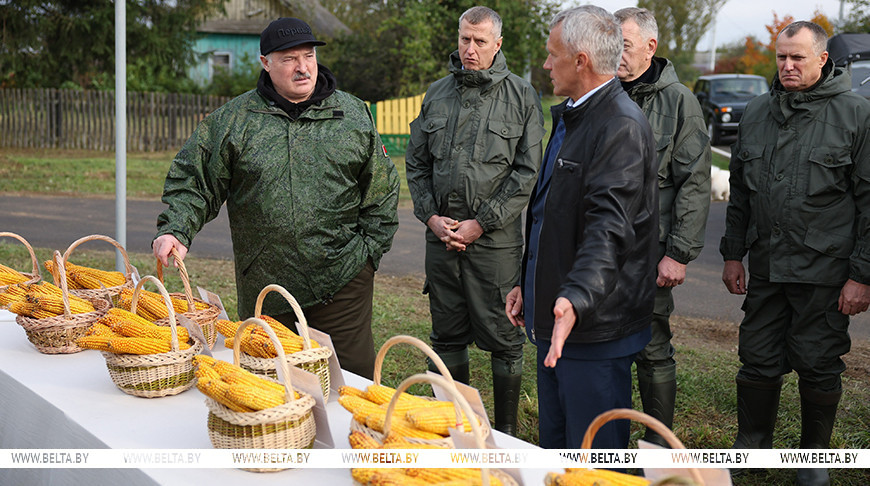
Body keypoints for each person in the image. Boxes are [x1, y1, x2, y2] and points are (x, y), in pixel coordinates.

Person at [152, 17, 400, 380]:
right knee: (270, 383)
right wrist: (177, 228)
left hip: (342, 281)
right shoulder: (234, 121)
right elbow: (196, 181)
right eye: (288, 59)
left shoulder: (351, 115)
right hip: (266, 286)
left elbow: (382, 188)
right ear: (265, 62)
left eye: (309, 55)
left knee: (349, 382)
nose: (303, 67)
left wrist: (366, 257)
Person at [721, 21, 870, 486]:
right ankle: (753, 445)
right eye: (781, 57)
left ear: (822, 59)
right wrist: (731, 254)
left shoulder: (856, 115)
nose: (787, 65)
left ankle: (812, 459)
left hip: (825, 273)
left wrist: (862, 275)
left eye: (797, 58)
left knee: (818, 360)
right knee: (757, 358)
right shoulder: (758, 111)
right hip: (767, 267)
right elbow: (741, 193)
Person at [505, 5, 658, 449]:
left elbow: (608, 230)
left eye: (553, 55)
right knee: (557, 450)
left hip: (594, 328)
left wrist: (574, 297)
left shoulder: (620, 126)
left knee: (594, 459)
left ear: (581, 61)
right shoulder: (574, 115)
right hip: (560, 322)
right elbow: (550, 214)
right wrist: (528, 284)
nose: (546, 65)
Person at [405, 6, 545, 436]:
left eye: (480, 41)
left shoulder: (522, 96)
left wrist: (481, 223)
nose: (469, 49)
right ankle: (456, 428)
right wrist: (430, 216)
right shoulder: (437, 93)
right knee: (447, 337)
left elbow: (528, 173)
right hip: (442, 241)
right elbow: (416, 164)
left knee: (505, 340)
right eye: (465, 39)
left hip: (494, 245)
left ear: (497, 44)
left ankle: (504, 434)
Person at [614, 7, 712, 447]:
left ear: (650, 48)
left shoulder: (679, 102)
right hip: (600, 251)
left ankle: (657, 447)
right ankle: (608, 446)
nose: (615, 53)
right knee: (605, 349)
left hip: (650, 253)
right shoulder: (602, 93)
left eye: (625, 45)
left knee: (652, 350)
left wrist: (678, 253)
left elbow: (694, 183)